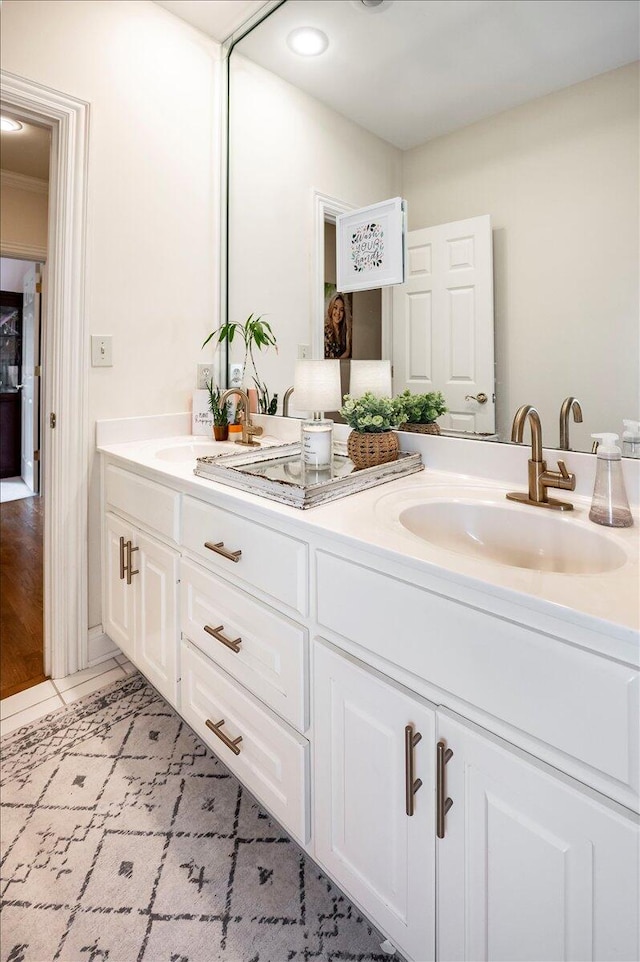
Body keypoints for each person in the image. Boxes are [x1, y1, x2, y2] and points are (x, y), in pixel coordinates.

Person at [324, 292, 352, 359]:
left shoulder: (346, 331)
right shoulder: (325, 332)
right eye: (335, 308)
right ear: (331, 309)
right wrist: (347, 351)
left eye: (341, 310)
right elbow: (332, 362)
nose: (338, 313)